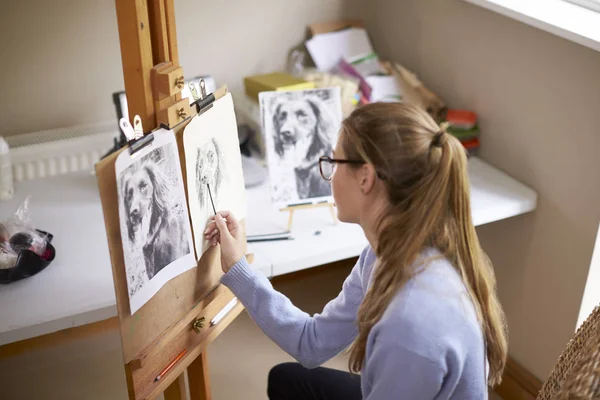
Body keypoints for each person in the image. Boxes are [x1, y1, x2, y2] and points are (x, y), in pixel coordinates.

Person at [203, 103, 508, 399]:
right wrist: (239, 268)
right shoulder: (386, 253)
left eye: (333, 162)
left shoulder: (410, 326)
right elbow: (312, 343)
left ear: (366, 176)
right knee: (287, 379)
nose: (329, 174)